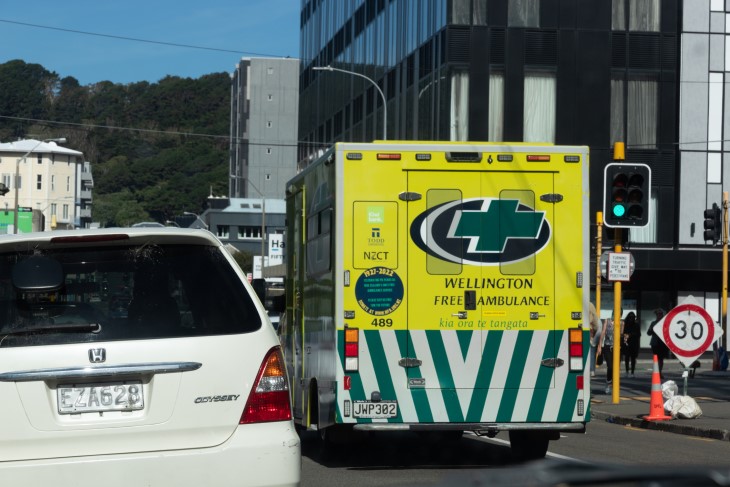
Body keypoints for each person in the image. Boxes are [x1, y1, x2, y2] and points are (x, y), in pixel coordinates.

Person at [599, 310, 623, 394]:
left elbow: (622, 335)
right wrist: (599, 346)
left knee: (616, 368)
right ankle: (608, 383)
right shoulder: (607, 320)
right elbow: (603, 332)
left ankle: (614, 384)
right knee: (610, 366)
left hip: (618, 348)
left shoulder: (621, 323)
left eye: (619, 314)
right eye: (615, 314)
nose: (617, 316)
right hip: (608, 346)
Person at [648, 308, 670, 376]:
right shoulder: (653, 323)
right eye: (658, 314)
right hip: (655, 343)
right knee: (656, 358)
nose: (659, 315)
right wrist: (652, 330)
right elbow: (648, 333)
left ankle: (659, 372)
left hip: (662, 343)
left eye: (660, 314)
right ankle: (656, 371)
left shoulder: (665, 323)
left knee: (661, 358)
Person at [622, 311, 640, 378]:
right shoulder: (625, 324)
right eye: (630, 317)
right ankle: (627, 372)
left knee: (633, 358)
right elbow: (623, 332)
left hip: (634, 343)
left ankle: (632, 372)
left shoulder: (636, 325)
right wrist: (625, 335)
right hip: (627, 343)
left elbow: (639, 334)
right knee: (627, 358)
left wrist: (630, 335)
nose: (631, 319)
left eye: (633, 318)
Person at [588, 302, 603, 377]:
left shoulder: (595, 320)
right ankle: (592, 370)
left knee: (591, 353)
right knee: (592, 353)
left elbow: (597, 330)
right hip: (594, 336)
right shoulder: (597, 319)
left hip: (593, 336)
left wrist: (593, 340)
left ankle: (591, 370)